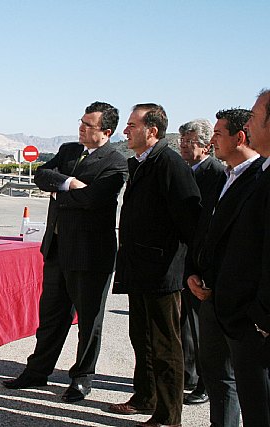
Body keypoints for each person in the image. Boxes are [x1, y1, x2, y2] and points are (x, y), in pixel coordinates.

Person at [2, 101, 128, 403]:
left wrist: (60, 193)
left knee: (88, 321)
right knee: (51, 316)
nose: (81, 128)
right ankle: (37, 371)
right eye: (81, 121)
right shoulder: (69, 150)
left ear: (106, 132)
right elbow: (41, 175)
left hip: (90, 256)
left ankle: (81, 378)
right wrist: (69, 183)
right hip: (57, 250)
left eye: (89, 125)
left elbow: (94, 199)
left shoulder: (116, 162)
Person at [109, 103, 201, 427]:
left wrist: (192, 268)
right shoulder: (141, 162)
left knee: (166, 346)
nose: (126, 130)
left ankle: (168, 416)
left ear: (152, 130)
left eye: (132, 125)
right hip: (140, 269)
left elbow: (191, 221)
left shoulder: (170, 164)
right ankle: (145, 396)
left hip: (162, 272)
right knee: (142, 338)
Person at [196, 90, 270, 426]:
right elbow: (210, 234)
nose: (211, 140)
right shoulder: (221, 176)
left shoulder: (259, 178)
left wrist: (260, 319)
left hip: (248, 316)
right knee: (219, 380)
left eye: (217, 133)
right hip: (214, 300)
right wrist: (195, 274)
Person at [177, 119, 224, 405]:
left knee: (202, 327)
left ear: (206, 145)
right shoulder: (184, 170)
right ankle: (189, 374)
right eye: (182, 140)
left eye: (190, 141)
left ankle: (205, 384)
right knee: (185, 324)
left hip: (200, 260)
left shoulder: (214, 173)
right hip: (182, 259)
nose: (184, 145)